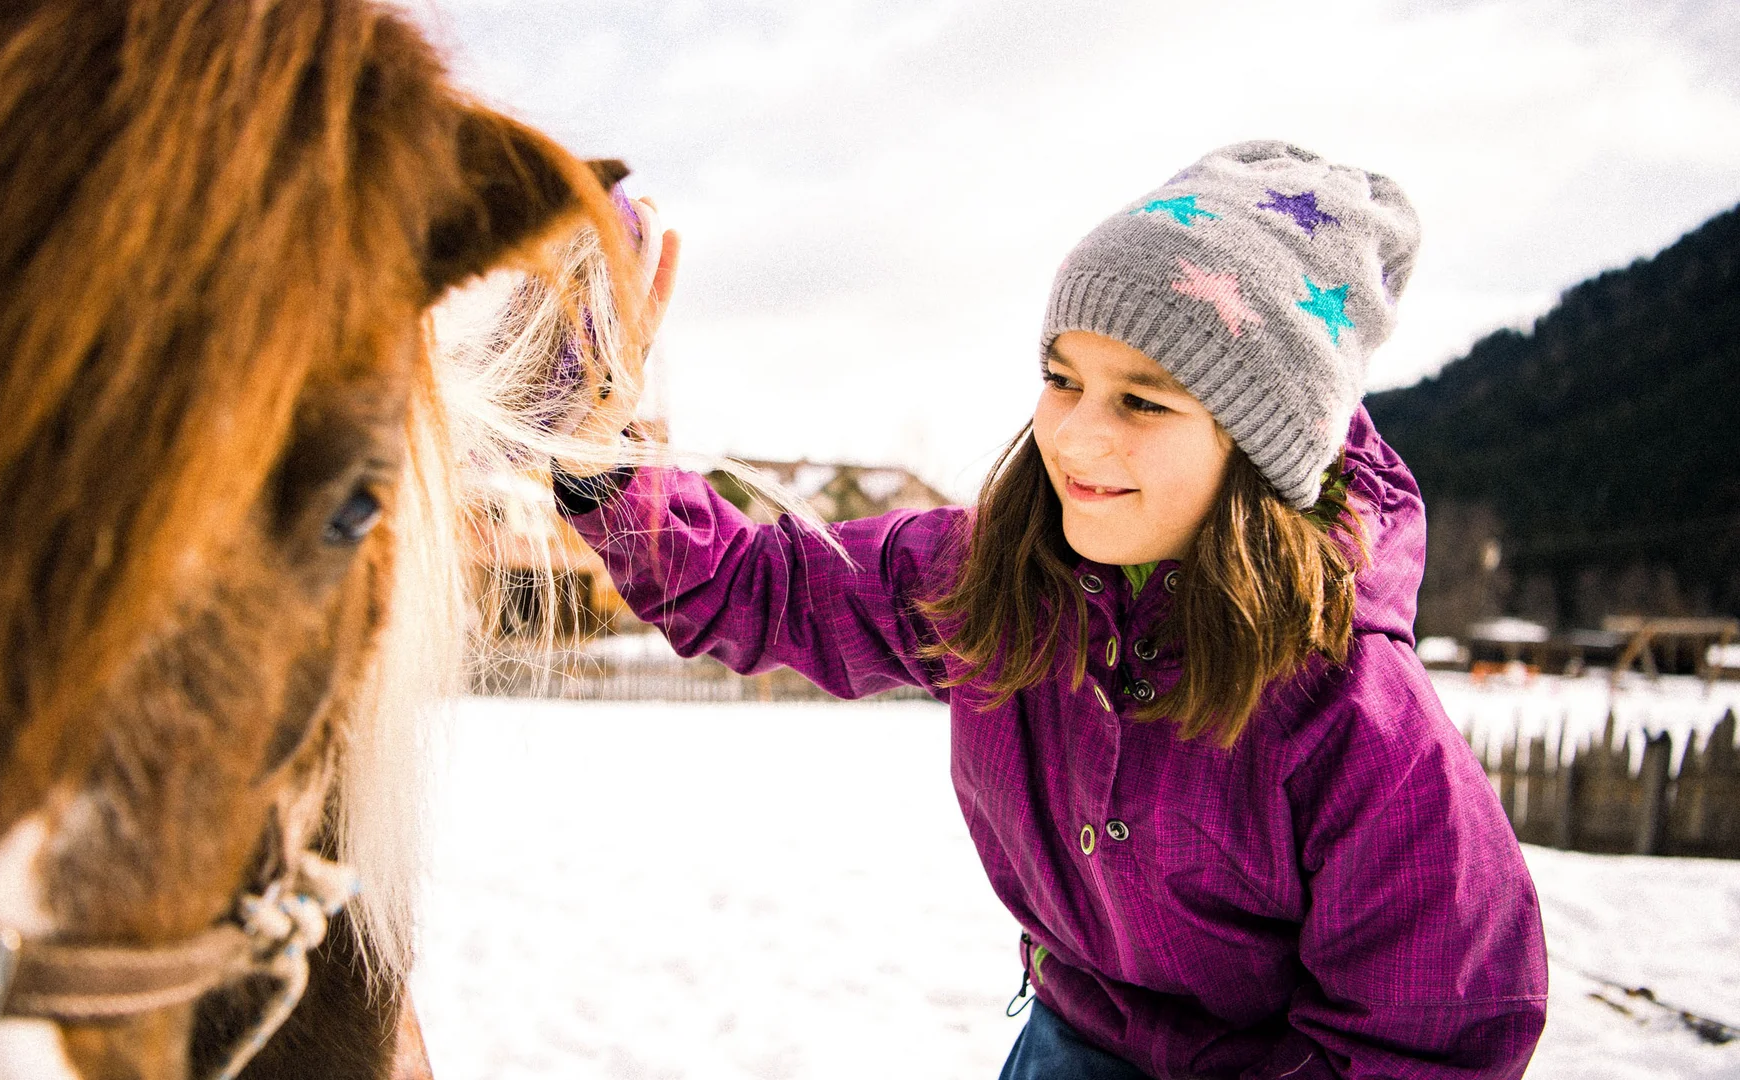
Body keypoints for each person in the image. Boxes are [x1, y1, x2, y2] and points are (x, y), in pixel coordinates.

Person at [550, 141, 1548, 1078]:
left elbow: (1430, 1037)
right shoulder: (997, 575)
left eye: (1144, 401)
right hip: (1069, 1037)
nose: (1076, 438)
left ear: (1261, 447)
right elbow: (761, 588)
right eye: (1062, 381)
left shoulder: (1355, 719)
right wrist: (606, 457)